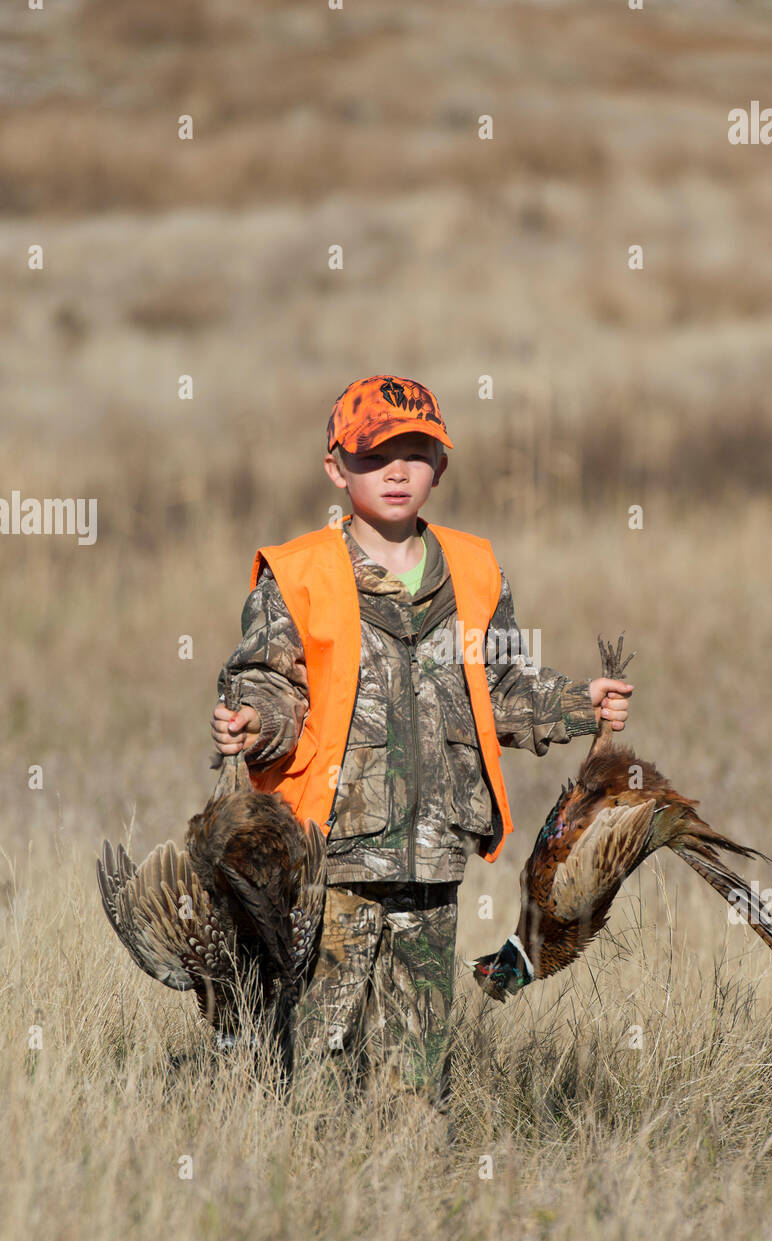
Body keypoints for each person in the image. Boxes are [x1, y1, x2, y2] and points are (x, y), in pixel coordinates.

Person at [211, 374, 634, 1117]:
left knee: (416, 1060)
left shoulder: (472, 570)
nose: (397, 470)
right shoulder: (299, 572)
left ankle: (408, 1183)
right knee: (318, 1053)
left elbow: (498, 688)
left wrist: (575, 704)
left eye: (417, 451)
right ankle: (307, 1184)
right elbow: (270, 682)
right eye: (375, 454)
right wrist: (253, 725)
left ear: (441, 465)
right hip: (327, 857)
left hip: (433, 854)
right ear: (335, 468)